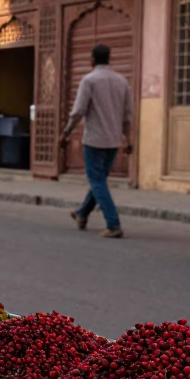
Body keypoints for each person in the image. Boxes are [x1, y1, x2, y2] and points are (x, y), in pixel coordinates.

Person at [60, 44, 133, 239]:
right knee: (99, 180)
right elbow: (127, 116)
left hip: (94, 140)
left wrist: (65, 133)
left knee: (97, 181)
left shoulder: (89, 80)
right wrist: (128, 139)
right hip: (113, 140)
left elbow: (78, 112)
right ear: (109, 58)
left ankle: (113, 223)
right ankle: (82, 214)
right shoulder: (121, 81)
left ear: (92, 59)